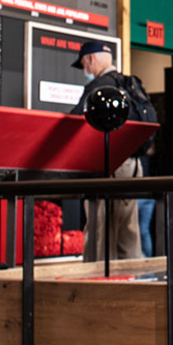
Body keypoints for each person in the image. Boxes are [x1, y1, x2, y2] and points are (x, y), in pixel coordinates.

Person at [69, 41, 143, 262]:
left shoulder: (98, 88)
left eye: (84, 65)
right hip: (132, 165)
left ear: (91, 59)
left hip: (109, 166)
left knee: (101, 231)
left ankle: (96, 287)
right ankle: (132, 283)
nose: (85, 71)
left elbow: (74, 123)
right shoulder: (128, 84)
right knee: (127, 231)